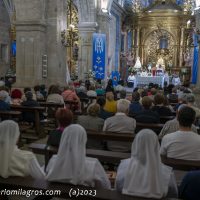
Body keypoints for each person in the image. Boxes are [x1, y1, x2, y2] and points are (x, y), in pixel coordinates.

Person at [115, 129, 178, 198]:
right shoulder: (167, 172)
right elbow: (173, 195)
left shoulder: (123, 166)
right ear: (156, 145)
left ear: (135, 144)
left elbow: (118, 188)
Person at [46, 124, 111, 189]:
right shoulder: (93, 164)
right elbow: (106, 186)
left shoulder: (53, 160)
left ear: (64, 137)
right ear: (83, 139)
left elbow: (48, 175)